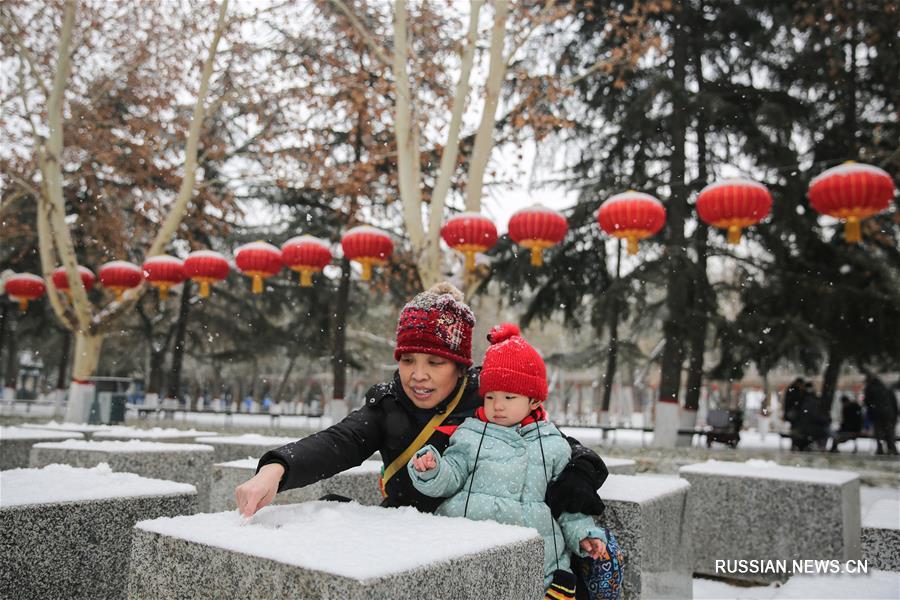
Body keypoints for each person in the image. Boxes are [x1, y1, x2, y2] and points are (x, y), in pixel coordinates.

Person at [235, 283, 614, 595]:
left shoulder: (490, 398)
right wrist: (276, 468)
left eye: (434, 363)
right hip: (408, 537)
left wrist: (580, 474)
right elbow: (341, 440)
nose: (418, 375)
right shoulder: (388, 404)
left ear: (460, 366)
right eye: (407, 360)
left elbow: (559, 444)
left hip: (479, 546)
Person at [408, 323, 622, 600]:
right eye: (490, 397)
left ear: (533, 401)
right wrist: (433, 469)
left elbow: (568, 505)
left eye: (509, 397)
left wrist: (583, 534)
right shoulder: (471, 433)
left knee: (549, 578)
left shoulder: (551, 444)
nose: (498, 405)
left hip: (536, 545)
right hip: (470, 535)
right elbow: (453, 474)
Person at [863, 373, 898, 455]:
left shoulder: (870, 388)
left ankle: (880, 448)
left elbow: (867, 402)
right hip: (889, 413)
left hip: (877, 413)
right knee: (889, 431)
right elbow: (894, 402)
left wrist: (871, 411)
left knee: (878, 432)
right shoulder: (886, 388)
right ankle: (892, 448)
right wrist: (895, 414)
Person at [783, 378, 805, 450]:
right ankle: (795, 444)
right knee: (795, 429)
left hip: (794, 414)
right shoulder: (794, 391)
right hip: (794, 414)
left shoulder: (793, 390)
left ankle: (796, 443)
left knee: (796, 429)